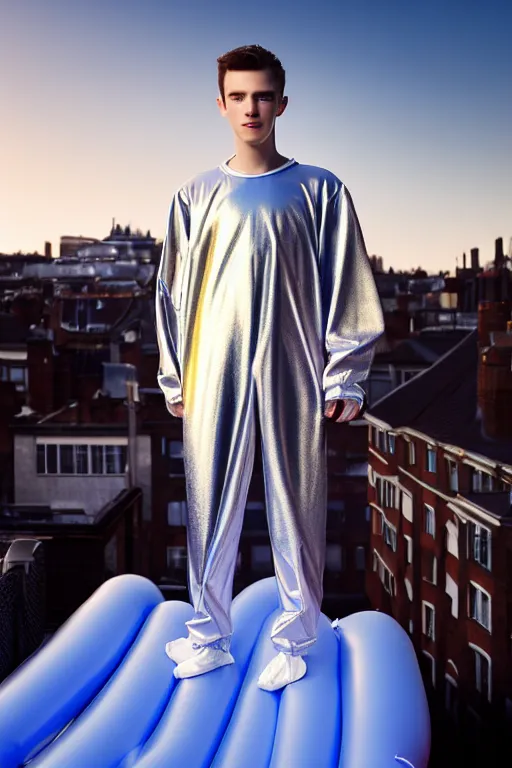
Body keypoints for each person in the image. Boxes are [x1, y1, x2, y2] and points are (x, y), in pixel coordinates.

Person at [156, 44, 384, 691]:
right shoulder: (194, 195)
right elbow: (171, 292)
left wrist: (345, 374)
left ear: (281, 102)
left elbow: (348, 282)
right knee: (208, 502)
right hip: (212, 370)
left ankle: (296, 639)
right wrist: (176, 376)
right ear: (221, 103)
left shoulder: (321, 190)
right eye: (239, 96)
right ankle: (209, 636)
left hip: (294, 367)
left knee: (297, 499)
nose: (251, 108)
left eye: (263, 96)